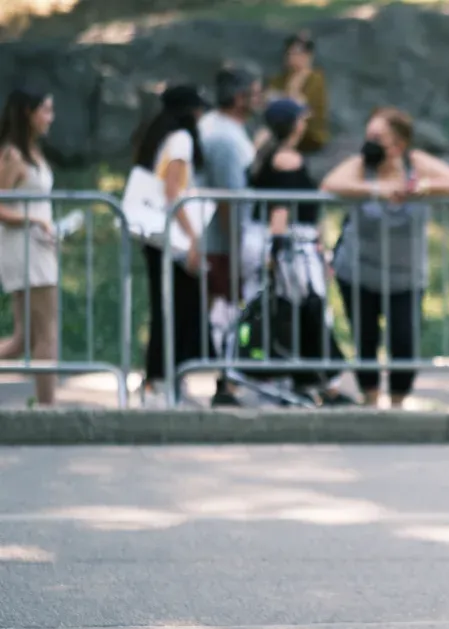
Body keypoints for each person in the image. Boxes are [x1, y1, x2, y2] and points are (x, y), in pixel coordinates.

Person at [321, 106, 449, 409]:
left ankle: (398, 405)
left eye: (378, 137)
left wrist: (420, 188)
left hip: (406, 276)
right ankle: (370, 400)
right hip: (359, 272)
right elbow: (330, 185)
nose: (371, 143)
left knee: (404, 340)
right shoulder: (362, 166)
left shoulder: (417, 164)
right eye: (368, 136)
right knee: (364, 339)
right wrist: (378, 189)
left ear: (399, 143)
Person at [240, 97, 353, 405]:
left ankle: (302, 380)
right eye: (300, 120)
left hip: (274, 242)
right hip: (293, 245)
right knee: (306, 311)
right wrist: (277, 250)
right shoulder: (287, 159)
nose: (304, 125)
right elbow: (282, 207)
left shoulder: (265, 153)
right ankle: (320, 382)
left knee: (283, 312)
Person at [128, 84, 210, 405]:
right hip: (172, 237)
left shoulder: (158, 136)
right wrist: (193, 238)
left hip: (156, 236)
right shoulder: (181, 140)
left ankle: (159, 378)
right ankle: (164, 379)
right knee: (176, 308)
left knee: (165, 306)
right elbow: (172, 191)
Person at [199, 62, 263, 406]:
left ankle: (230, 377)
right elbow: (228, 198)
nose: (260, 99)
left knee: (223, 313)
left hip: (226, 238)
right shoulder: (223, 136)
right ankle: (226, 382)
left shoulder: (227, 129)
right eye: (255, 92)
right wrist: (236, 245)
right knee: (225, 313)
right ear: (240, 97)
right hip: (224, 241)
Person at [0, 88, 59, 406]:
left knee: (22, 340)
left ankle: (46, 407)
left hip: (38, 246)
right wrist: (33, 221)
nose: (50, 117)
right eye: (45, 110)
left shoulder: (33, 152)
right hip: (25, 249)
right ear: (27, 112)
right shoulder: (12, 154)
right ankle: (49, 410)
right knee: (45, 334)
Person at [265, 31, 328, 155]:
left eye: (299, 53)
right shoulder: (280, 78)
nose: (294, 57)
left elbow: (301, 108)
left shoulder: (315, 79)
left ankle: (284, 152)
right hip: (280, 129)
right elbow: (269, 98)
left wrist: (296, 85)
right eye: (291, 52)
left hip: (308, 134)